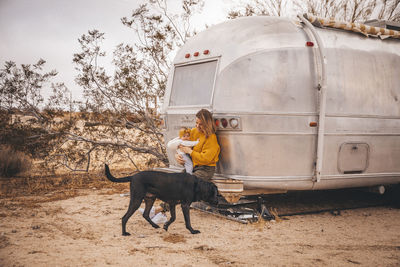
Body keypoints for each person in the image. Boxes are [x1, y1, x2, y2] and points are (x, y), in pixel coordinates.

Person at [175, 109, 220, 181]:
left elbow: (206, 159)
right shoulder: (193, 131)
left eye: (201, 124)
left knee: (188, 181)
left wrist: (190, 152)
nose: (197, 126)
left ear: (207, 124)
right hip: (193, 166)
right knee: (177, 180)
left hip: (205, 169)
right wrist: (177, 155)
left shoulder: (211, 138)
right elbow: (181, 142)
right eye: (196, 123)